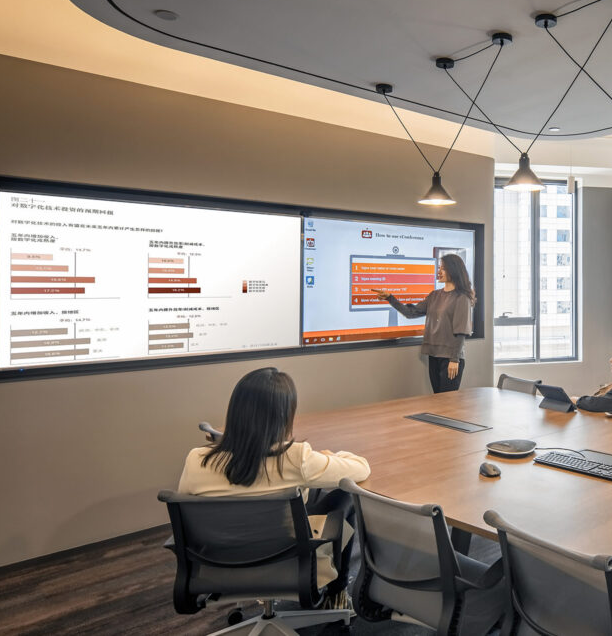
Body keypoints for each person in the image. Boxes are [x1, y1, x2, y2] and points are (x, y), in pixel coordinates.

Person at [177, 368, 371, 606]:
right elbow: (361, 469)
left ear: (235, 411)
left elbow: (188, 519)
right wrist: (332, 455)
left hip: (216, 566)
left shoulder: (196, 459)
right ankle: (337, 594)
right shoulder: (294, 457)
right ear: (285, 416)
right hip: (286, 564)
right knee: (345, 494)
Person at [370, 253, 475, 393]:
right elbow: (410, 313)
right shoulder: (435, 295)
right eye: (439, 267)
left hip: (450, 358)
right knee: (437, 399)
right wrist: (390, 298)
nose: (439, 271)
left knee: (448, 403)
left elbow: (461, 331)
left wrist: (454, 360)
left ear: (453, 270)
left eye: (443, 268)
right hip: (434, 355)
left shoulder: (462, 298)